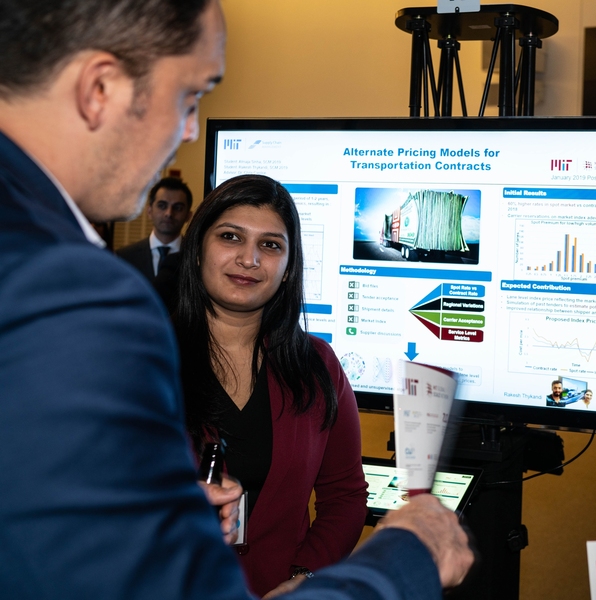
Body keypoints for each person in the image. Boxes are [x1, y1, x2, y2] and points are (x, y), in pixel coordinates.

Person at [0, 1, 472, 599]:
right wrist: (410, 554)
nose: (191, 130)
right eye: (190, 97)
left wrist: (161, 513)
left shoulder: (315, 368)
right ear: (100, 88)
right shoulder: (75, 295)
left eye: (270, 246)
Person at [175, 174, 369, 597]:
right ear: (197, 251)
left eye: (270, 245)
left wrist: (306, 577)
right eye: (230, 237)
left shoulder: (318, 366)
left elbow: (346, 496)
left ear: (288, 269)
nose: (250, 259)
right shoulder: (144, 359)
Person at [117, 177, 194, 280]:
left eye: (178, 208)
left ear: (188, 215)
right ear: (149, 211)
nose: (169, 213)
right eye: (162, 206)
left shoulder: (195, 258)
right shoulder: (124, 257)